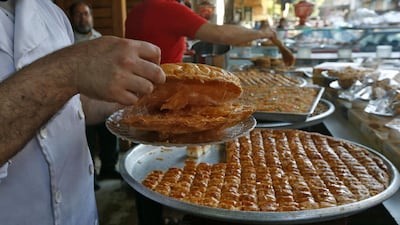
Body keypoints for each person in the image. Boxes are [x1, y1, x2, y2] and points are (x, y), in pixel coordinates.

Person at [0, 1, 165, 224]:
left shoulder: (51, 13)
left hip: (81, 213)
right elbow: (67, 76)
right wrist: (72, 68)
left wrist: (135, 104)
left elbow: (73, 104)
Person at [69, 1, 121, 190]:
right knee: (86, 140)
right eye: (78, 14)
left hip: (104, 96)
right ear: (72, 18)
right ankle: (91, 177)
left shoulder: (101, 39)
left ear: (92, 16)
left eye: (86, 13)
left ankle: (109, 167)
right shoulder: (67, 42)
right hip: (80, 99)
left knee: (109, 133)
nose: (83, 18)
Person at [125, 0, 276, 64]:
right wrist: (262, 33)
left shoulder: (136, 11)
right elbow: (221, 34)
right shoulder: (170, 9)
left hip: (138, 87)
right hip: (164, 87)